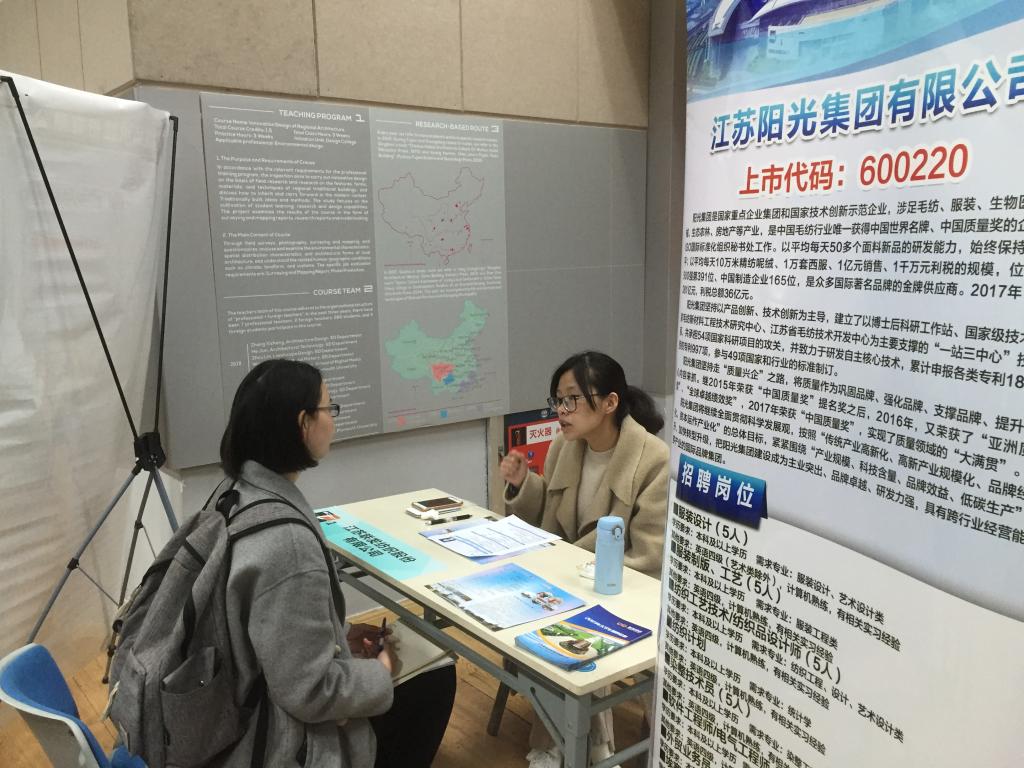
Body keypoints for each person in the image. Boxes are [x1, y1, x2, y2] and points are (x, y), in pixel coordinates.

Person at [217, 358, 455, 768]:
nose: (333, 418)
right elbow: (311, 692)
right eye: (329, 408)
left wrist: (339, 633)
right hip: (275, 737)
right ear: (303, 424)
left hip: (239, 699)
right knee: (436, 676)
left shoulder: (234, 494)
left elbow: (272, 624)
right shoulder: (288, 543)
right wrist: (380, 672)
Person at [500, 351, 669, 768]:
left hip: (622, 591)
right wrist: (523, 484)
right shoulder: (565, 445)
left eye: (572, 399)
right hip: (567, 583)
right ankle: (586, 746)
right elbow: (548, 519)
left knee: (580, 629)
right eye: (558, 399)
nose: (561, 410)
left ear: (610, 402)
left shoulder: (653, 459)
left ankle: (573, 746)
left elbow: (649, 557)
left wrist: (582, 576)